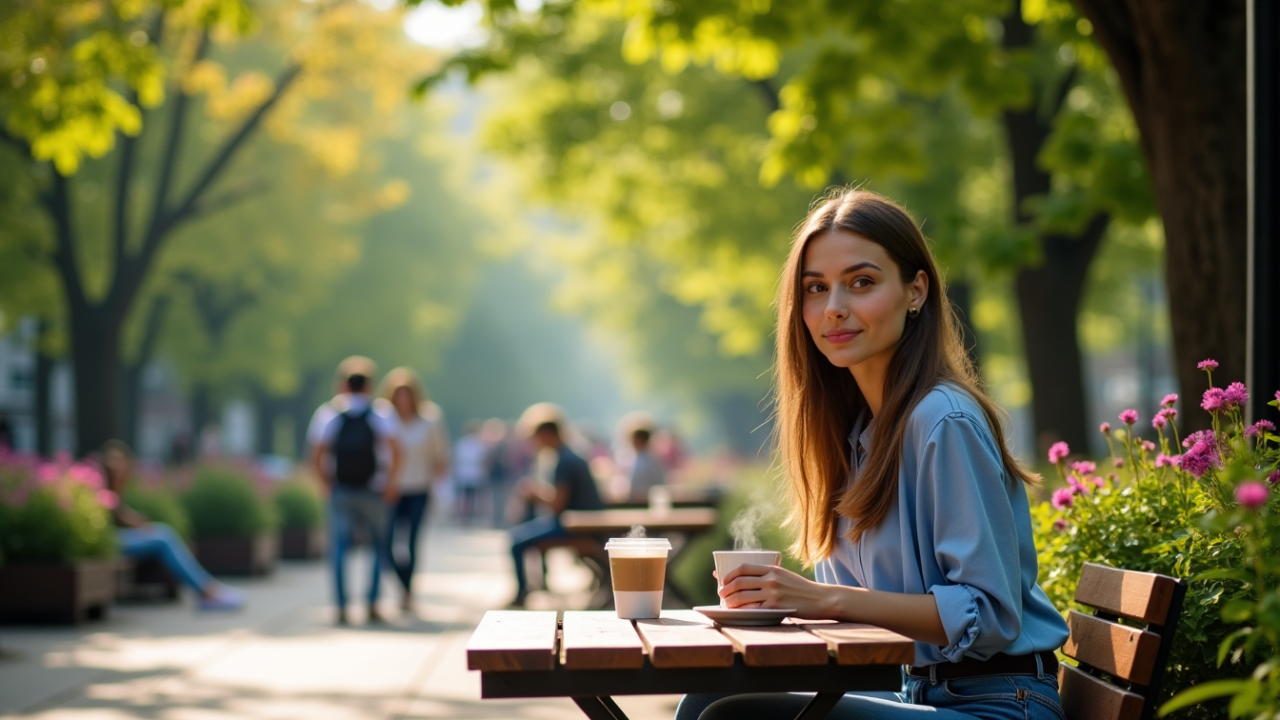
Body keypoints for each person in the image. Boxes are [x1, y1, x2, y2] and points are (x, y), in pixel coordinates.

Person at [677, 190, 1069, 720]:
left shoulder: (942, 421)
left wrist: (822, 600)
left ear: (915, 291)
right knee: (711, 697)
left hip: (997, 705)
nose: (834, 306)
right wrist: (780, 605)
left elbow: (991, 615)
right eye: (816, 288)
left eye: (861, 282)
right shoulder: (858, 432)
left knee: (737, 716)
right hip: (914, 692)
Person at [101, 441, 244, 611]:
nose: (122, 470)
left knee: (163, 532)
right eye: (117, 466)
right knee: (163, 537)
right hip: (110, 540)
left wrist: (140, 522)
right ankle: (206, 591)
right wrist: (139, 523)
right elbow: (116, 515)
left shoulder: (116, 488)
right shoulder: (103, 488)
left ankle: (207, 588)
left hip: (115, 537)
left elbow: (120, 512)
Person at [313, 360, 402, 625]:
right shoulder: (381, 413)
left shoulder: (329, 414)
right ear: (370, 385)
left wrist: (325, 484)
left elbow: (316, 454)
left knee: (340, 547)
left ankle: (341, 605)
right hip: (373, 490)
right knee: (377, 546)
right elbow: (396, 451)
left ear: (342, 385)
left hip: (341, 489)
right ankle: (372, 603)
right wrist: (390, 483)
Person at [506, 403, 604, 608]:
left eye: (535, 437)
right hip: (580, 521)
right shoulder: (569, 455)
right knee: (524, 531)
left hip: (577, 526)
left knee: (516, 540)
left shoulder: (564, 461)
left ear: (547, 434)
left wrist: (534, 492)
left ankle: (522, 592)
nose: (533, 443)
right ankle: (536, 584)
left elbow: (557, 504)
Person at [379, 368, 450, 612]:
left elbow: (441, 457)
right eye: (398, 395)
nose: (402, 400)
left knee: (411, 543)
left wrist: (433, 482)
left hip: (419, 489)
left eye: (406, 395)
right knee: (385, 543)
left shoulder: (430, 418)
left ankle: (408, 591)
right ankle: (402, 585)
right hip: (391, 490)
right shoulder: (383, 417)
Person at [452, 421, 487, 525]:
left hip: (466, 473)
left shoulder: (462, 443)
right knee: (468, 497)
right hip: (471, 473)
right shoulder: (477, 444)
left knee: (466, 497)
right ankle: (466, 516)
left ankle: (465, 516)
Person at [626, 427, 666, 504]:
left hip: (646, 503)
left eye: (634, 439)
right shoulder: (638, 459)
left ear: (640, 440)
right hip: (640, 502)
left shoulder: (651, 461)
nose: (632, 442)